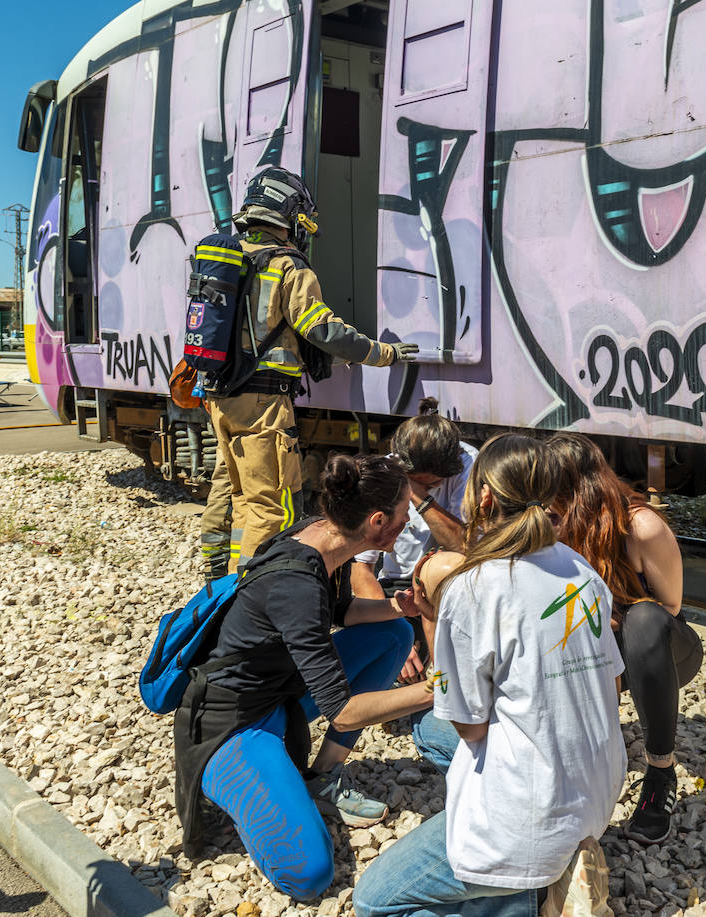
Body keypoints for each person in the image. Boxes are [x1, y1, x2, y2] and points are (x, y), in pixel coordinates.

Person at [354, 433, 626, 917]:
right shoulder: (583, 571)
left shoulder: (476, 588)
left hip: (529, 819)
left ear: (484, 497)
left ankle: (526, 896)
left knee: (374, 902)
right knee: (429, 731)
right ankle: (550, 871)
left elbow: (471, 724)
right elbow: (611, 687)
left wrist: (432, 617)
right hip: (596, 796)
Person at [174, 453, 439, 900]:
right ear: (377, 521)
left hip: (279, 694)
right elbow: (346, 710)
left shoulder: (318, 535)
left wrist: (398, 606)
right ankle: (227, 782)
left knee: (392, 634)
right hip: (232, 722)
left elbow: (338, 611)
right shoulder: (296, 583)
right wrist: (439, 691)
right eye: (403, 513)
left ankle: (320, 778)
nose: (409, 521)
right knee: (309, 874)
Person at [202, 167, 420, 573]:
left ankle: (222, 578)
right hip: (263, 403)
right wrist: (382, 353)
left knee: (239, 496)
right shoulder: (287, 266)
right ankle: (257, 593)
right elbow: (322, 330)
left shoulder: (234, 259)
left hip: (223, 398)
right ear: (288, 215)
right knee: (274, 508)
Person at [545, 432, 703, 846]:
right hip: (600, 646)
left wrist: (607, 616)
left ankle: (660, 770)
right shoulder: (551, 525)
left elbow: (670, 606)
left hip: (660, 652)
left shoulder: (640, 526)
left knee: (643, 618)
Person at [352, 397, 476, 680]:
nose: (436, 488)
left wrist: (418, 494)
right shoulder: (382, 473)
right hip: (400, 589)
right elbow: (361, 569)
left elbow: (463, 546)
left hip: (451, 582)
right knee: (388, 657)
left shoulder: (467, 463)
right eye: (425, 481)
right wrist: (393, 626)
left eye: (435, 483)